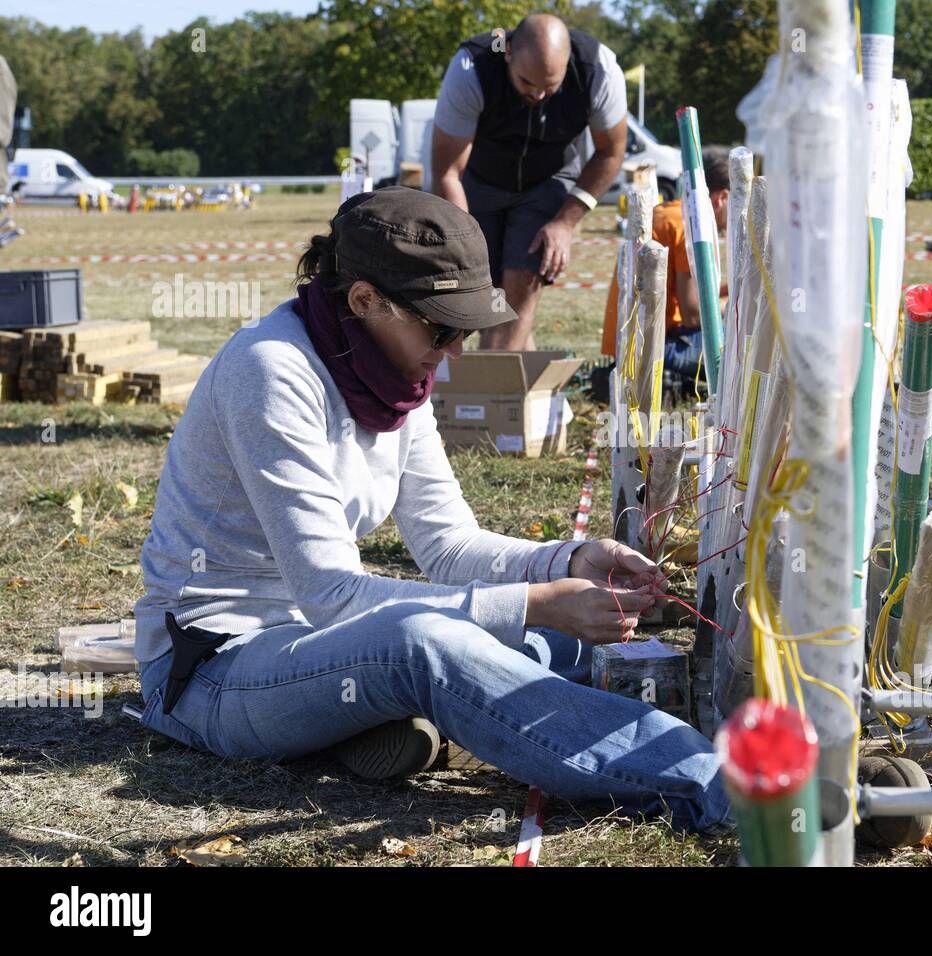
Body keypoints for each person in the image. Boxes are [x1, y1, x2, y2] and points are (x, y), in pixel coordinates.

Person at [133, 187, 731, 833]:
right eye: (441, 327)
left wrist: (569, 559)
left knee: (536, 638)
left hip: (316, 649)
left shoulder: (391, 373)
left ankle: (386, 718)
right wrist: (531, 602)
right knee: (427, 645)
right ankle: (720, 787)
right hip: (216, 671)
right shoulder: (271, 372)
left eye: (464, 329)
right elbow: (330, 595)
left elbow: (449, 545)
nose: (454, 352)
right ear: (363, 300)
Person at [432, 13, 627, 351]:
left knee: (520, 282)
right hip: (479, 179)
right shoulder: (472, 67)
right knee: (476, 290)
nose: (538, 95)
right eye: (527, 83)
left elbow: (611, 152)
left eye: (551, 86)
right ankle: (523, 391)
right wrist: (463, 245)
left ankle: (494, 394)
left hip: (549, 179)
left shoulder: (599, 69)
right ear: (508, 52)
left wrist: (565, 223)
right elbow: (447, 171)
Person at [600, 146, 730, 380]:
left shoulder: (669, 214)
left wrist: (728, 290)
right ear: (722, 198)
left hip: (628, 345)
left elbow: (680, 295)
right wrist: (731, 306)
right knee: (741, 342)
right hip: (655, 348)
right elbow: (693, 314)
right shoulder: (690, 226)